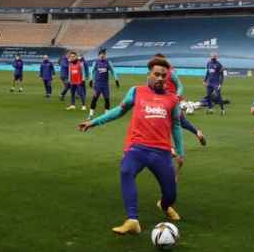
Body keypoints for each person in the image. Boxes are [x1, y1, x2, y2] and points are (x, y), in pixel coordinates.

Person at [78, 57, 184, 236]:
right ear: (149, 74)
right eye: (156, 74)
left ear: (168, 78)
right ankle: (132, 219)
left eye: (163, 76)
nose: (159, 78)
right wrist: (93, 122)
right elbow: (119, 111)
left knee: (171, 195)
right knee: (126, 170)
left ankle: (164, 205)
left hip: (162, 151)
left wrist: (180, 152)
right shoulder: (136, 92)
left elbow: (176, 125)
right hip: (137, 147)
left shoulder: (172, 99)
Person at [88, 49, 120, 118]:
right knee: (94, 99)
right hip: (97, 85)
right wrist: (91, 80)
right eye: (101, 54)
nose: (102, 55)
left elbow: (113, 71)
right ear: (98, 55)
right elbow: (92, 71)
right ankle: (90, 115)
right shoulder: (95, 62)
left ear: (105, 55)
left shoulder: (108, 62)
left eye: (104, 54)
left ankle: (106, 115)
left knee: (107, 99)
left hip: (105, 85)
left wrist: (116, 80)